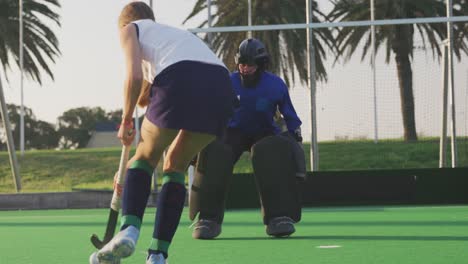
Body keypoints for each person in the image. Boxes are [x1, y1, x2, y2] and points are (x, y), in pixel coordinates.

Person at [89, 2, 234, 264]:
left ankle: (128, 230)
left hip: (181, 78)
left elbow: (133, 77)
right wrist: (129, 175)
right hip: (222, 89)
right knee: (174, 165)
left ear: (124, 24)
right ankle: (158, 255)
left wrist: (125, 120)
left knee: (144, 158)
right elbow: (149, 91)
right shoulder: (172, 38)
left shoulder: (129, 29)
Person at [189, 38, 305, 240]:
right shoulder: (226, 82)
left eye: (249, 65)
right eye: (242, 64)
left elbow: (289, 115)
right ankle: (208, 219)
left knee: (270, 152)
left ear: (261, 64)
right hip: (232, 132)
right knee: (216, 151)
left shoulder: (275, 85)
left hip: (264, 132)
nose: (245, 69)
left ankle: (279, 217)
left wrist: (294, 136)